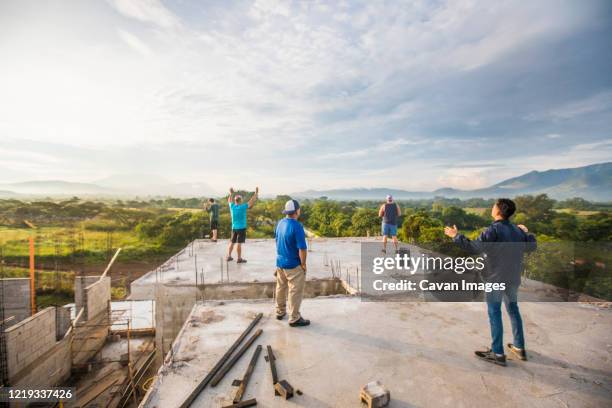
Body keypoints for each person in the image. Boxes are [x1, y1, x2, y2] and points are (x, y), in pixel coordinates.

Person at [444, 198, 537, 366]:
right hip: (513, 278)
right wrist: (526, 233)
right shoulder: (517, 230)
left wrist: (455, 236)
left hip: (495, 278)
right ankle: (519, 347)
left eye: (494, 206)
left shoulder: (493, 230)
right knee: (513, 310)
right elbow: (531, 246)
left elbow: (474, 247)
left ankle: (498, 353)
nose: (492, 208)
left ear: (498, 210)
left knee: (495, 312)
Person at [275, 199, 310, 327]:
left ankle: (280, 312)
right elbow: (302, 248)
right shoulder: (297, 226)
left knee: (281, 287)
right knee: (295, 291)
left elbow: (277, 241)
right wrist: (303, 264)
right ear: (297, 211)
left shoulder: (280, 223)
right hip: (293, 264)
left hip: (280, 262)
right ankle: (294, 317)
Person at [227, 186, 258, 263]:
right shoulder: (243, 207)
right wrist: (256, 193)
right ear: (240, 200)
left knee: (232, 242)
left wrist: (231, 194)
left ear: (235, 201)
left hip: (234, 228)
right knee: (239, 243)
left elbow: (229, 200)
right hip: (241, 228)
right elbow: (251, 201)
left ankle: (229, 256)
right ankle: (239, 258)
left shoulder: (232, 206)